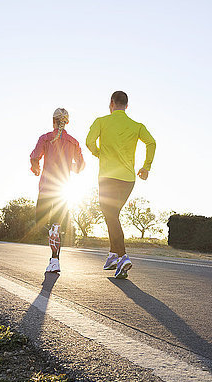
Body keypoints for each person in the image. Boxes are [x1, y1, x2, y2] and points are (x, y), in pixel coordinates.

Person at [86, 91, 156, 279]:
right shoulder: (136, 126)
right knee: (113, 215)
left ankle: (123, 256)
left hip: (108, 177)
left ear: (111, 103)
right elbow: (151, 143)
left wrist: (98, 153)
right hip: (128, 179)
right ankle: (112, 256)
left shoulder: (101, 121)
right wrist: (146, 167)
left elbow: (89, 142)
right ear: (127, 105)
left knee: (110, 215)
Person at [30, 108, 85, 273]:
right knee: (57, 225)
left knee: (39, 221)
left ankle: (53, 243)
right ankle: (55, 260)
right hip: (63, 189)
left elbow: (34, 157)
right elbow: (81, 166)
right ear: (67, 122)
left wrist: (36, 169)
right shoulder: (73, 142)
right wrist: (70, 166)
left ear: (53, 120)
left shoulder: (45, 138)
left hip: (47, 187)